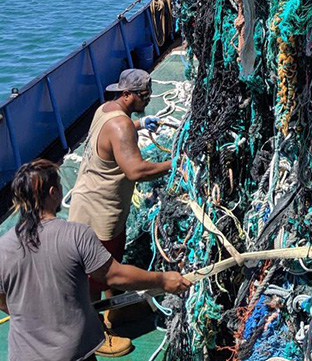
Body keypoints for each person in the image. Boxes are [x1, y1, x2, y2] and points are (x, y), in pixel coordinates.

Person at [0, 159, 190, 361]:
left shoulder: (3, 247)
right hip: (73, 353)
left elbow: (2, 300)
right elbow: (115, 276)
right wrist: (162, 280)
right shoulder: (75, 234)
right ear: (54, 192)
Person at [69, 68, 170, 284]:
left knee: (108, 264)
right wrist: (175, 163)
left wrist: (141, 124)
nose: (147, 100)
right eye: (143, 96)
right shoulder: (121, 126)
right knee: (99, 275)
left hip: (85, 201)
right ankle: (100, 315)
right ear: (126, 94)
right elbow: (136, 171)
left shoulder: (105, 110)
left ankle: (114, 309)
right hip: (101, 214)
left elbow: (113, 133)